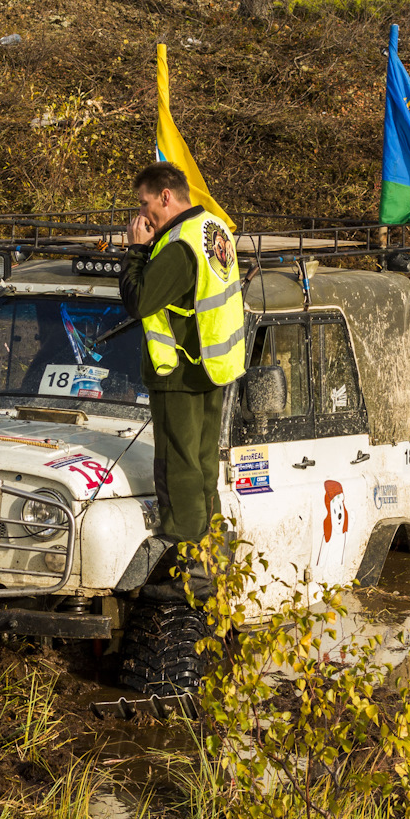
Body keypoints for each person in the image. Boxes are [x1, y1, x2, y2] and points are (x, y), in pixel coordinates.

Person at [120, 163, 247, 555]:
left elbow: (139, 300)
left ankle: (187, 569)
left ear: (165, 196)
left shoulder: (180, 245)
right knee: (204, 470)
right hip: (212, 366)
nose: (142, 215)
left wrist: (137, 250)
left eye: (144, 204)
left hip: (178, 370)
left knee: (179, 472)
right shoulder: (214, 228)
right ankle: (217, 565)